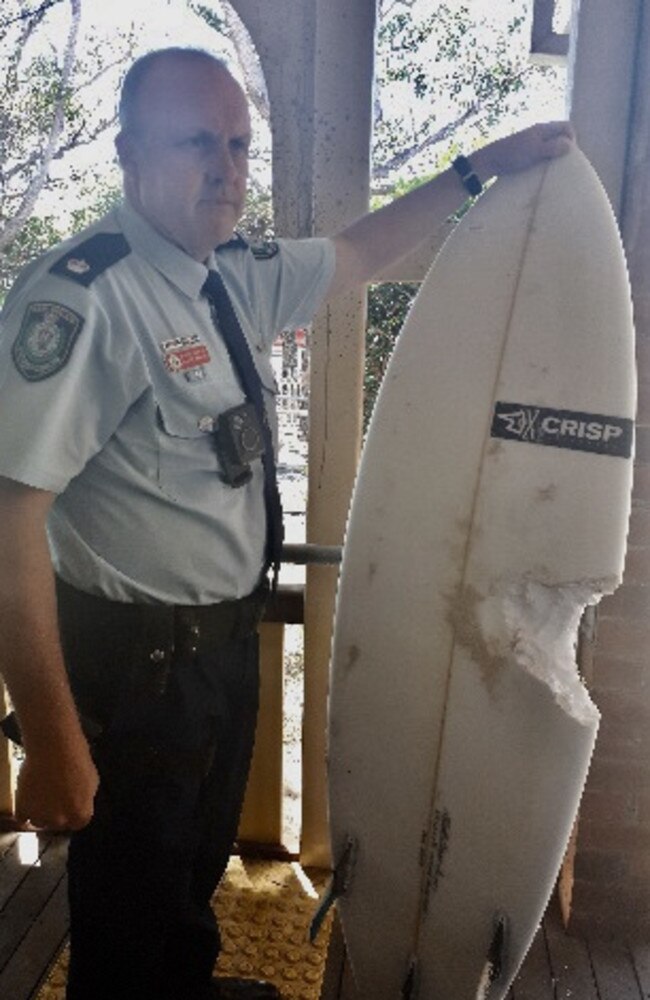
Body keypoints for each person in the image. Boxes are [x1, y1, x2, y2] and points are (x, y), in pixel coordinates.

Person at [0, 47, 574, 1000]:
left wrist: (477, 172)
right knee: (130, 901)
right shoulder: (83, 297)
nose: (225, 168)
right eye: (197, 143)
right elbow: (10, 522)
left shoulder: (226, 272)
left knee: (193, 868)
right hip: (133, 671)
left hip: (219, 652)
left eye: (238, 143)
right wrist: (56, 739)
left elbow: (360, 253)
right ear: (128, 153)